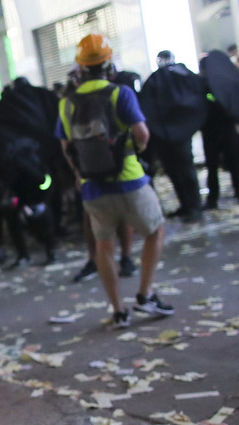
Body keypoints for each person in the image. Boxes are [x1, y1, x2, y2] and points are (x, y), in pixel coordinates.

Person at [57, 34, 174, 329]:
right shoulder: (119, 93)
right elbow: (142, 134)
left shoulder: (65, 104)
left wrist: (82, 173)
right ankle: (145, 294)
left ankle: (118, 310)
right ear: (108, 64)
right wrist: (134, 152)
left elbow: (66, 148)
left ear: (80, 67)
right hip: (130, 181)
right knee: (155, 229)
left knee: (102, 246)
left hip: (93, 189)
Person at [139, 50, 208, 224]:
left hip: (164, 134)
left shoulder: (156, 79)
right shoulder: (185, 75)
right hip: (180, 132)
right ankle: (190, 206)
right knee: (182, 170)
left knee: (179, 171)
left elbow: (145, 106)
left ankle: (192, 206)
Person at [200, 50, 239, 210]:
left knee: (217, 164)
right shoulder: (222, 83)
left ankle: (217, 197)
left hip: (213, 129)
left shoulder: (206, 85)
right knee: (229, 162)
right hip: (224, 128)